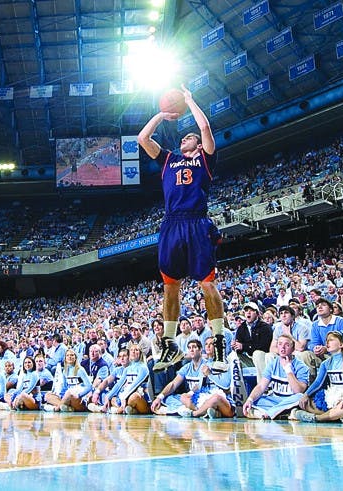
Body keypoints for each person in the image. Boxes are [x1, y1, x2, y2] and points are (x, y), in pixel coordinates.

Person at [137, 84, 227, 372]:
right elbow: (143, 137)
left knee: (207, 283)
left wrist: (189, 100)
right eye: (184, 137)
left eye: (191, 138)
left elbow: (205, 127)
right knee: (170, 286)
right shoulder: (169, 160)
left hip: (197, 222)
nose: (187, 138)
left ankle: (220, 344)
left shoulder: (206, 159)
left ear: (198, 146)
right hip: (171, 224)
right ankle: (170, 346)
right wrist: (162, 114)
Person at [291, 331, 343, 423]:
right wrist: (306, 394)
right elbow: (317, 383)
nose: (327, 342)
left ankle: (317, 418)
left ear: (341, 344)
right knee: (307, 403)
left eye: (331, 340)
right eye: (326, 340)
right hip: (333, 399)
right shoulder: (326, 364)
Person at [242, 335, 309, 419]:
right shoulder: (273, 364)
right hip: (276, 401)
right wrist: (250, 399)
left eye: (287, 345)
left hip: (291, 401)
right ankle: (283, 413)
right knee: (256, 400)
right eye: (280, 344)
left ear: (292, 349)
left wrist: (288, 370)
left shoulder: (301, 367)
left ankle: (269, 413)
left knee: (299, 397)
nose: (283, 348)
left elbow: (298, 391)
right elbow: (261, 386)